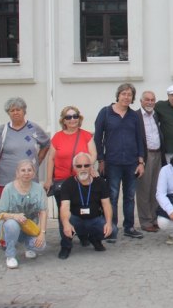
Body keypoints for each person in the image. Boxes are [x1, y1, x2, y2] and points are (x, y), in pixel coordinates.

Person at [94, 83, 145, 241]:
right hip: (112, 162)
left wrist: (141, 161)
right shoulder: (106, 113)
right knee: (113, 196)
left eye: (129, 95)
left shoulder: (135, 116)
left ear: (132, 98)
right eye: (123, 94)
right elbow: (97, 138)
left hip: (131, 162)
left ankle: (129, 227)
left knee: (130, 196)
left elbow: (140, 138)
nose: (126, 97)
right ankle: (112, 227)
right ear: (118, 95)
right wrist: (101, 159)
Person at [44, 105, 98, 252]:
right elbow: (51, 159)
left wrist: (88, 166)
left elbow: (93, 154)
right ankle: (66, 243)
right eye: (68, 117)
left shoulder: (86, 135)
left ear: (79, 118)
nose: (72, 119)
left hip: (81, 180)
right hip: (62, 180)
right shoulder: (57, 137)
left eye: (75, 116)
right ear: (64, 120)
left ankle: (83, 235)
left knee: (81, 209)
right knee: (65, 212)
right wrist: (49, 179)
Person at [0, 97, 50, 197]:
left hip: (29, 178)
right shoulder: (3, 129)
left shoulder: (33, 128)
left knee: (30, 209)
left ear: (24, 111)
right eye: (12, 110)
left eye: (18, 109)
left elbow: (46, 143)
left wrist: (37, 161)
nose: (15, 112)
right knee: (8, 210)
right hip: (6, 179)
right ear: (8, 113)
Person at [58, 152, 113, 259]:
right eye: (79, 166)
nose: (83, 168)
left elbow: (106, 205)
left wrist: (109, 223)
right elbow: (64, 207)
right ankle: (66, 246)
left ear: (91, 167)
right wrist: (65, 224)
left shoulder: (100, 182)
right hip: (76, 219)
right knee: (64, 219)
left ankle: (95, 239)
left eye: (86, 165)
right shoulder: (67, 184)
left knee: (113, 230)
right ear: (74, 168)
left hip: (94, 219)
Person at [0, 159, 48, 269]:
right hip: (9, 226)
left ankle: (29, 247)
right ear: (17, 173)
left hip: (29, 228)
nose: (26, 173)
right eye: (23, 170)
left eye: (29, 170)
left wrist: (42, 233)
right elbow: (0, 213)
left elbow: (43, 211)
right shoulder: (8, 188)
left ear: (34, 173)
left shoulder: (39, 189)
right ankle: (10, 255)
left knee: (41, 246)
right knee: (12, 224)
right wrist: (14, 216)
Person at [136, 90, 166, 233]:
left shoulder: (155, 115)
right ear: (141, 101)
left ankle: (155, 219)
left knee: (156, 189)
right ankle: (146, 221)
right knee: (144, 190)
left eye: (152, 100)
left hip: (158, 154)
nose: (149, 102)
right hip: (145, 156)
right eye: (147, 99)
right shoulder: (135, 116)